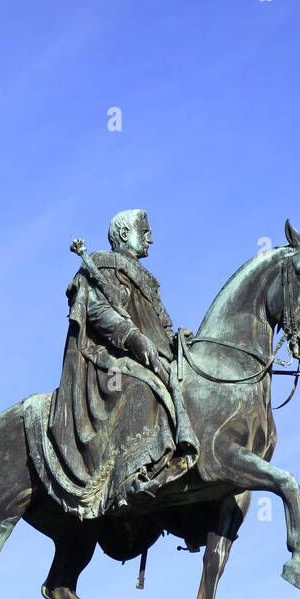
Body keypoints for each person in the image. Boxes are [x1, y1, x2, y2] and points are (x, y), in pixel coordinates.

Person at [46, 210, 198, 521]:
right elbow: (94, 310)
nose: (151, 239)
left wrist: (176, 340)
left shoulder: (147, 280)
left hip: (151, 357)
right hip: (108, 358)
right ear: (124, 234)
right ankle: (129, 476)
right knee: (141, 388)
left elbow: (161, 326)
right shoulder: (100, 264)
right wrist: (132, 337)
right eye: (146, 232)